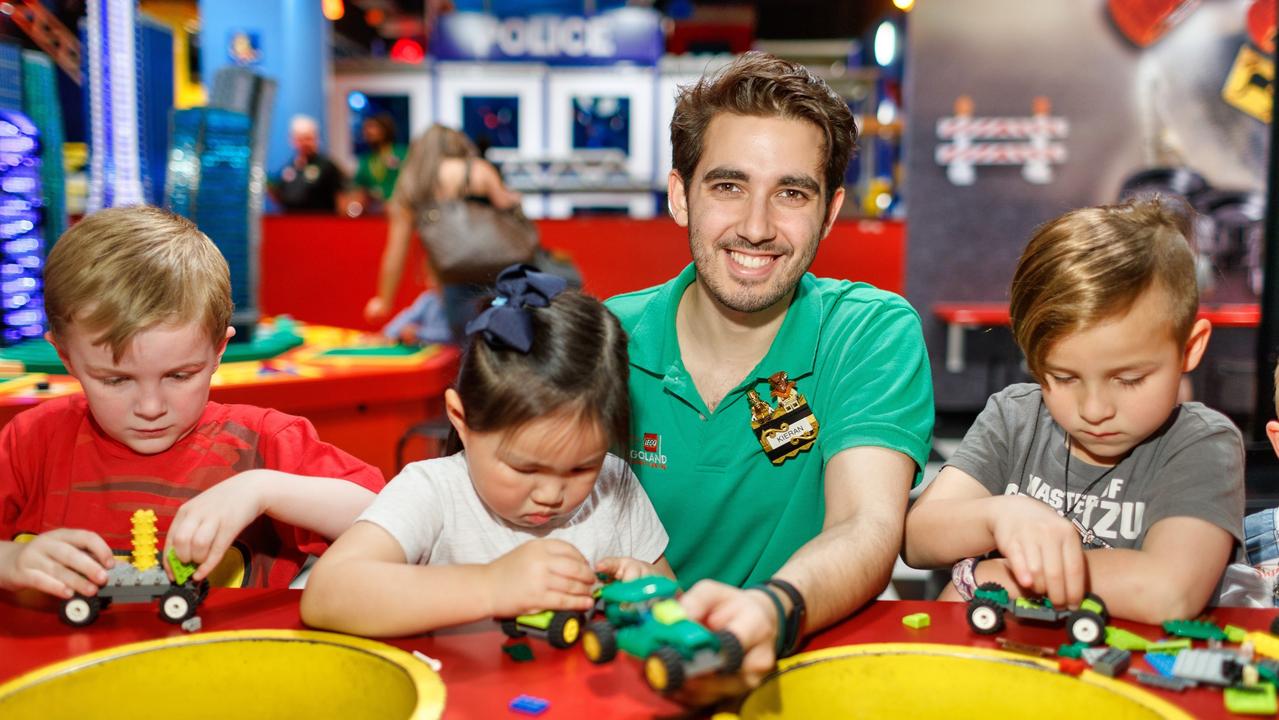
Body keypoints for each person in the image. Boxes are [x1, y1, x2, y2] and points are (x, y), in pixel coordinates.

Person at [604, 52, 934, 694]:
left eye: (791, 193)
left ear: (830, 212)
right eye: (728, 186)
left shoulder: (867, 331)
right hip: (626, 677)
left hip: (802, 672)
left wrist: (772, 609)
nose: (756, 228)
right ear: (680, 196)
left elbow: (865, 526)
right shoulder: (605, 341)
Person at [0, 207, 384, 597]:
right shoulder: (31, 443)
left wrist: (265, 489)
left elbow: (389, 521)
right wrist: (10, 562)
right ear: (66, 357)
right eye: (115, 380)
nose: (150, 407)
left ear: (218, 351)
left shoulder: (262, 443)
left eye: (179, 376)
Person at [904, 197, 1244, 624]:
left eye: (1129, 379)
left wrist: (1003, 577)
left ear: (1189, 348)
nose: (1095, 409)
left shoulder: (1202, 444)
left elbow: (1168, 592)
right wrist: (998, 515)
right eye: (1063, 378)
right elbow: (917, 539)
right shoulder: (1016, 418)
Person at [302, 265, 671, 636]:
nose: (550, 495)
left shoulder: (613, 485)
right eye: (525, 469)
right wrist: (492, 586)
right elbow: (325, 595)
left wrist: (648, 591)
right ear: (461, 419)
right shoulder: (433, 491)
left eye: (580, 469)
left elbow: (675, 605)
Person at [364, 124, 523, 342]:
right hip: (498, 274)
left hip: (453, 279)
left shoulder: (414, 182)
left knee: (463, 349)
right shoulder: (479, 169)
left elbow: (396, 251)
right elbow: (509, 209)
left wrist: (384, 300)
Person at [270, 115, 346, 213]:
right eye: (300, 139)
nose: (304, 143)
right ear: (293, 140)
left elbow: (341, 197)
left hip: (320, 222)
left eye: (308, 138)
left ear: (316, 138)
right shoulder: (289, 167)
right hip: (292, 222)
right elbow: (280, 195)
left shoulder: (327, 166)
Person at [351, 113, 406, 214]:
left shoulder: (402, 154)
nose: (368, 132)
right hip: (375, 212)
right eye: (365, 128)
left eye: (372, 127)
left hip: (400, 209)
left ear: (385, 129)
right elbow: (359, 187)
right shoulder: (366, 160)